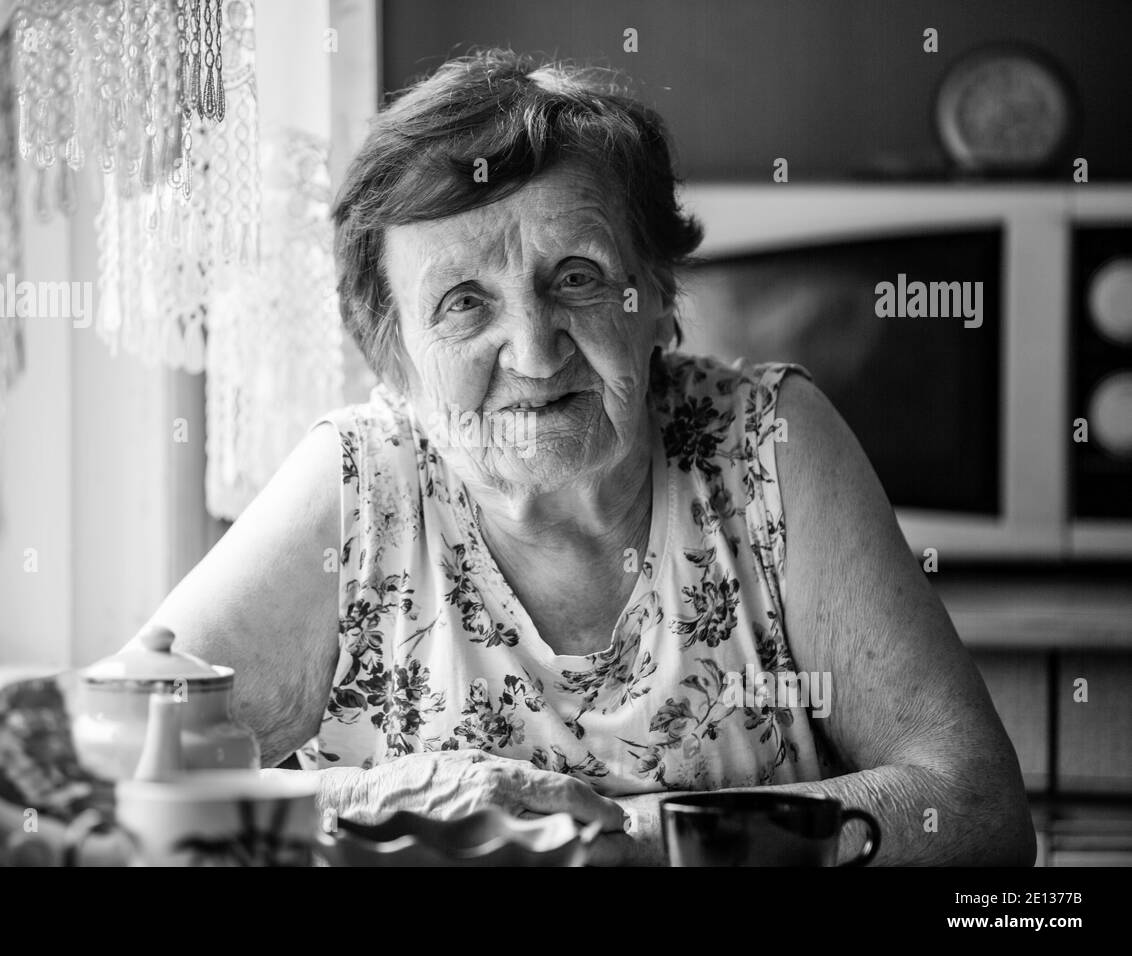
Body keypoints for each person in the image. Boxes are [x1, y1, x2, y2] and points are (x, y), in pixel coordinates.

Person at [143, 49, 1036, 866]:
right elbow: (110, 796)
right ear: (393, 355)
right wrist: (385, 797)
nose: (533, 351)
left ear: (658, 298)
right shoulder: (358, 485)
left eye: (576, 276)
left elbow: (977, 809)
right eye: (462, 303)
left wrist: (628, 844)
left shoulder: (769, 444)